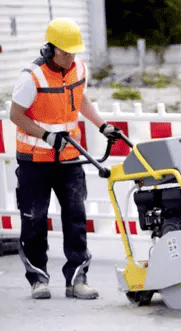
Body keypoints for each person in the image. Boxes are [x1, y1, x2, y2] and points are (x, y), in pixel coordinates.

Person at [10, 18, 121, 300]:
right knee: (34, 221)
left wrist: (102, 125)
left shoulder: (79, 69)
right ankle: (38, 280)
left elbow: (80, 99)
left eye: (74, 52)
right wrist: (46, 136)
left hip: (70, 158)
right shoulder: (32, 77)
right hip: (34, 161)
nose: (70, 57)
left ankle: (77, 280)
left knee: (76, 218)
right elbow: (16, 115)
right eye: (64, 52)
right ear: (50, 50)